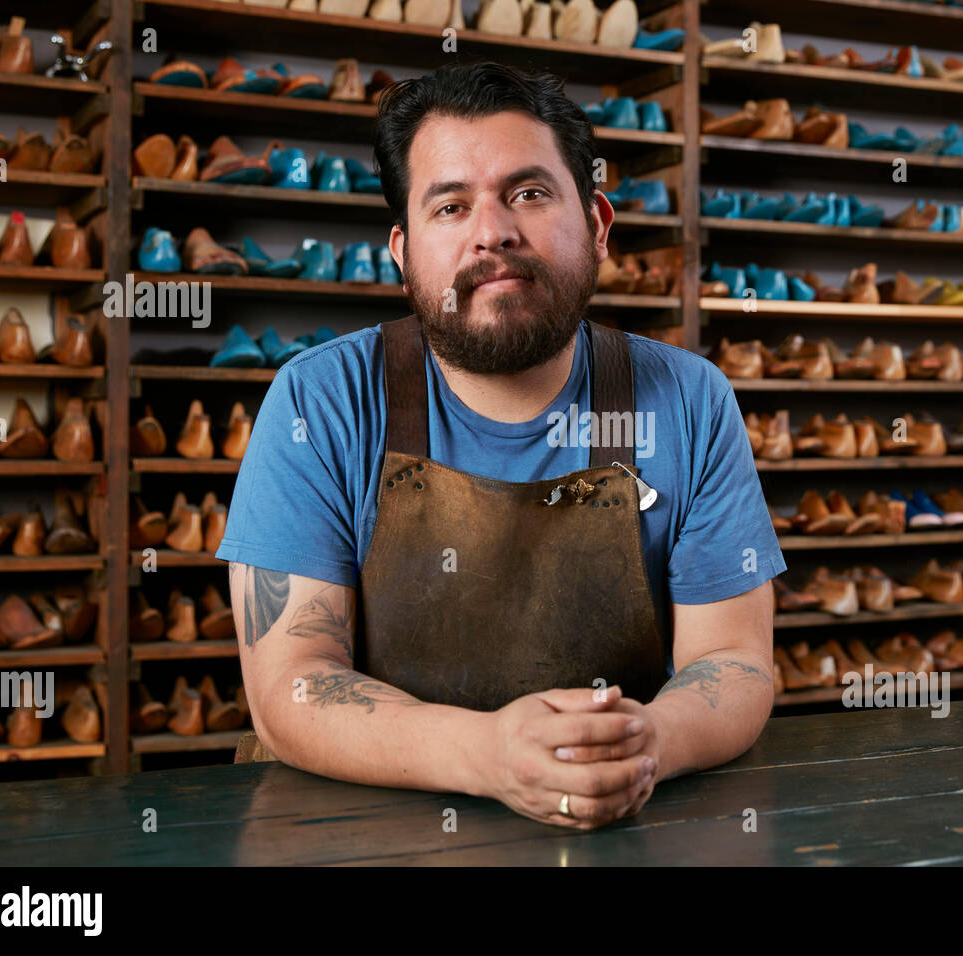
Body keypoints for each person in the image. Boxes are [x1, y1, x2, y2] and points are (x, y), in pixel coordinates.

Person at [217, 60, 785, 830]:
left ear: (598, 224)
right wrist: (489, 754)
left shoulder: (689, 400)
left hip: (619, 820)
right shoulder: (318, 402)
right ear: (402, 252)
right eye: (450, 206)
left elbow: (736, 662)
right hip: (360, 835)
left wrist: (643, 740)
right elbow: (292, 686)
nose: (493, 232)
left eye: (529, 193)